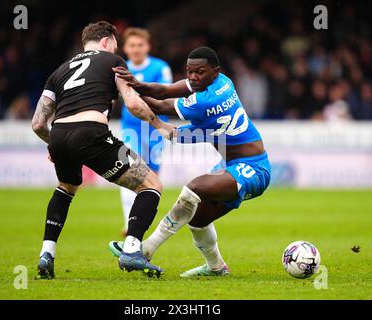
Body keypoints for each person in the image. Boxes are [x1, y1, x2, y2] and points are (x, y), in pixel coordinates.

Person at [109, 46, 271, 277]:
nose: (193, 77)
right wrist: (136, 83)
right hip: (231, 166)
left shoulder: (205, 101)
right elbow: (163, 91)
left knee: (193, 189)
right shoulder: (220, 81)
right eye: (189, 71)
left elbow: (159, 104)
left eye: (199, 72)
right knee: (197, 219)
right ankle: (216, 268)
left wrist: (124, 88)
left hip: (253, 168)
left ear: (214, 71)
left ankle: (144, 250)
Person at [31, 21, 175, 279]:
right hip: (92, 133)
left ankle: (46, 254)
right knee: (151, 184)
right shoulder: (113, 60)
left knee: (66, 187)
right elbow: (132, 103)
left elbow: (38, 123)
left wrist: (53, 144)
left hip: (60, 134)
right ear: (108, 41)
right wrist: (159, 124)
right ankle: (131, 250)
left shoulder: (60, 70)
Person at [119, 27, 172, 236]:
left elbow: (164, 95)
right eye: (132, 45)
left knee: (152, 176)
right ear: (125, 48)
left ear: (147, 46)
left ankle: (143, 219)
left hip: (154, 128)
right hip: (130, 128)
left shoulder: (161, 67)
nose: (136, 49)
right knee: (128, 170)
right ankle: (128, 223)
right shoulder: (120, 69)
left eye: (140, 45)